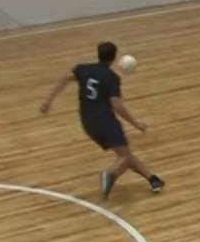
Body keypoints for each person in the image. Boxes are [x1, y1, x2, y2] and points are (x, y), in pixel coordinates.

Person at [40, 41, 164, 200]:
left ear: (98, 54)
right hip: (105, 121)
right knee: (124, 157)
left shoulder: (83, 69)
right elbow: (117, 105)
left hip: (87, 122)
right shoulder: (112, 78)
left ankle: (152, 179)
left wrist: (48, 101)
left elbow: (64, 78)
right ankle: (110, 174)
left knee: (124, 153)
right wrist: (136, 123)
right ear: (114, 58)